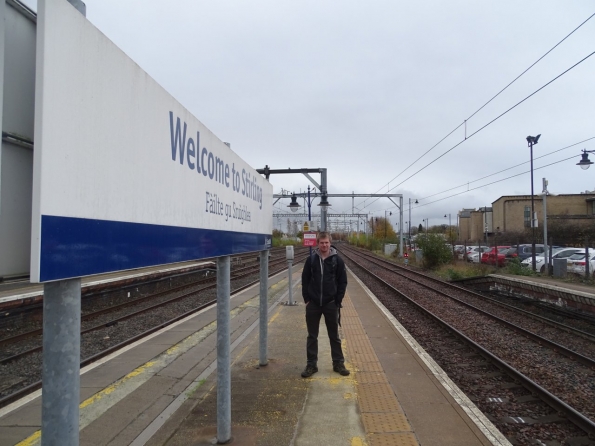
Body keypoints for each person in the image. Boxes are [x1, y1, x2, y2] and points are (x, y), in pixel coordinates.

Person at [300, 231, 349, 378]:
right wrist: (307, 299)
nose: (324, 245)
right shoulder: (311, 260)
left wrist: (337, 300)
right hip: (313, 304)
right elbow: (305, 279)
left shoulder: (337, 260)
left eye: (326, 242)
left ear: (330, 243)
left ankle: (338, 363)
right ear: (318, 243)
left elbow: (343, 281)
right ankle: (311, 364)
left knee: (334, 335)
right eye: (322, 242)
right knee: (312, 336)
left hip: (330, 303)